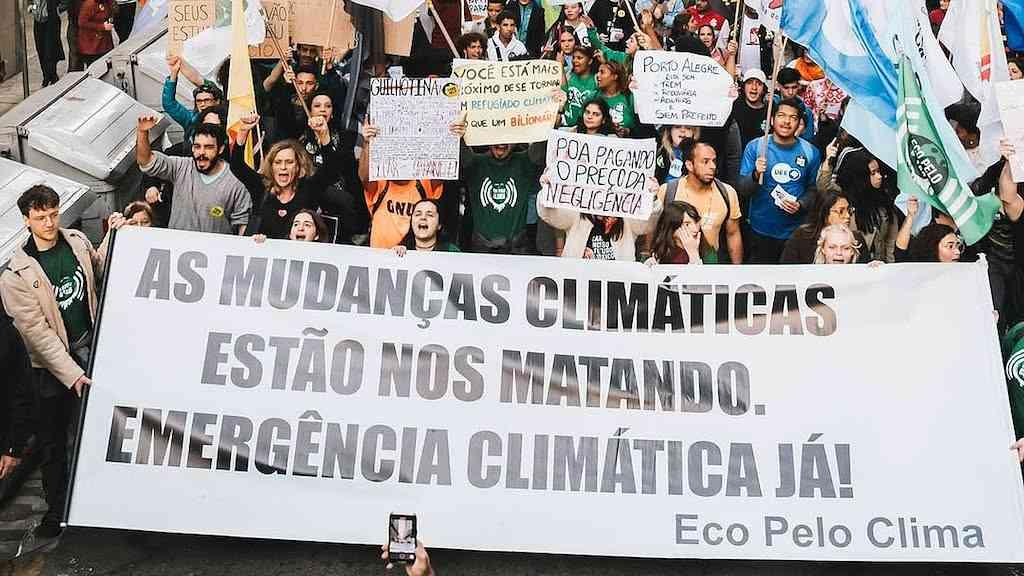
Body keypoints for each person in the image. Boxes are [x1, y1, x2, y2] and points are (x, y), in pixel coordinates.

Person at [1, 185, 106, 539]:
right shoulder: (15, 276)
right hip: (47, 371)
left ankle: (94, 502)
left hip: (90, 348)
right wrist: (73, 374)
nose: (49, 223)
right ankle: (57, 511)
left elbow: (99, 272)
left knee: (92, 433)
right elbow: (37, 335)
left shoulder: (77, 242)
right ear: (26, 220)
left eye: (53, 214)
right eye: (40, 217)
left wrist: (116, 236)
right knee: (53, 443)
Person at [230, 113, 341, 239]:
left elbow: (331, 170)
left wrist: (324, 136)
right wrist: (243, 131)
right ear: (271, 166)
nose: (283, 167)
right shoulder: (261, 187)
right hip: (263, 250)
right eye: (278, 162)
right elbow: (236, 166)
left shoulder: (309, 189)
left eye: (289, 162)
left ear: (298, 166)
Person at [739, 97, 822, 264]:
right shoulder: (756, 147)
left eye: (793, 117)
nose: (786, 121)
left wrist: (801, 204)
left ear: (799, 123)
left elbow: (813, 190)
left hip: (795, 233)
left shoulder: (811, 152)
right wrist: (755, 174)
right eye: (781, 115)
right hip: (760, 230)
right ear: (772, 119)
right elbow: (742, 189)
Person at [136, 115, 251, 234]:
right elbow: (146, 161)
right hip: (177, 244)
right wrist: (142, 132)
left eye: (208, 147)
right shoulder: (181, 166)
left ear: (220, 149)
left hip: (215, 246)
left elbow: (242, 223)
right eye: (197, 147)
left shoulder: (235, 180)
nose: (201, 152)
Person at [651, 141, 743, 263]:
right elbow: (653, 229)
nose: (712, 166)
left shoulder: (727, 193)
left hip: (710, 262)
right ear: (689, 165)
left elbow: (733, 234)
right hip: (673, 264)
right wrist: (648, 256)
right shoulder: (668, 190)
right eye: (705, 161)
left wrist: (737, 270)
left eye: (714, 161)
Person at [359, 122, 448, 249]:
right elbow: (364, 176)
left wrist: (449, 134)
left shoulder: (424, 182)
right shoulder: (380, 182)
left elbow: (442, 167)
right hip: (380, 257)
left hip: (413, 257)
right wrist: (367, 143)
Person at [456, 124, 542, 253]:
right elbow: (461, 147)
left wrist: (550, 120)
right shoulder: (476, 163)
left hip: (516, 249)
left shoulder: (525, 161)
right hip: (482, 248)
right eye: (496, 135)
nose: (501, 141)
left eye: (507, 136)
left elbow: (541, 142)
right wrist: (459, 134)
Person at [538, 173, 662, 260]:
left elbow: (648, 223)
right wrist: (547, 190)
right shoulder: (577, 214)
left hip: (616, 284)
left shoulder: (627, 217)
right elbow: (548, 213)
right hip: (579, 284)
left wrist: (652, 198)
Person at [827, 148, 899, 263]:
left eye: (878, 171)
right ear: (861, 176)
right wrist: (827, 161)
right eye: (873, 173)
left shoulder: (885, 202)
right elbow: (824, 187)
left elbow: (890, 243)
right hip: (850, 266)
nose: (879, 176)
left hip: (878, 266)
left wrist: (889, 267)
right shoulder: (844, 204)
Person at [780, 190, 867, 264]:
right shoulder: (802, 236)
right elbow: (787, 268)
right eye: (841, 211)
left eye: (849, 210)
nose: (847, 216)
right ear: (824, 214)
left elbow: (866, 270)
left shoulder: (856, 239)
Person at [163, 55, 225, 148]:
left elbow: (198, 79)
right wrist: (173, 74)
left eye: (207, 100)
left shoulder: (226, 119)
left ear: (217, 101)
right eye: (199, 101)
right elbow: (169, 104)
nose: (202, 104)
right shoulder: (191, 119)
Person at [646, 201, 716, 265]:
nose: (695, 229)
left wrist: (694, 255)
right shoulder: (657, 252)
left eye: (696, 222)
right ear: (672, 228)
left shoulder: (708, 253)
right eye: (687, 224)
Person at [393, 199, 461, 255]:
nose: (423, 218)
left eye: (430, 215)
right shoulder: (402, 250)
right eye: (418, 214)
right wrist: (393, 255)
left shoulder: (451, 251)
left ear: (439, 225)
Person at [559, 46, 599, 127]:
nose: (575, 61)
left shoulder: (597, 79)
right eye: (573, 58)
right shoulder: (568, 75)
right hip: (565, 126)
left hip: (586, 129)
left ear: (590, 61)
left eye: (579, 58)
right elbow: (563, 93)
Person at [774, 67, 816, 141]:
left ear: (799, 86)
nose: (790, 92)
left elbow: (809, 141)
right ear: (778, 86)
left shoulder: (806, 112)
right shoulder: (771, 106)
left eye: (794, 87)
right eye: (786, 88)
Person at [596, 61, 636, 137]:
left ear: (615, 76)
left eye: (602, 72)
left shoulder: (630, 98)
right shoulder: (593, 96)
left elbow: (641, 127)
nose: (598, 75)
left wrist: (628, 131)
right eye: (598, 72)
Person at [731, 69, 769, 149]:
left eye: (759, 84)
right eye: (749, 83)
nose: (754, 87)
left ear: (764, 89)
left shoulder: (770, 109)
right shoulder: (735, 106)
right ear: (743, 87)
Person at [32, 0, 65, 87]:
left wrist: (58, 9)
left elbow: (65, 2)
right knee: (40, 49)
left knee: (50, 50)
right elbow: (33, 3)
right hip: (38, 22)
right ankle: (46, 76)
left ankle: (53, 75)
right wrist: (33, 8)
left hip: (51, 21)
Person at [254, 210, 329, 243]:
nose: (300, 228)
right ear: (290, 234)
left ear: (317, 235)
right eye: (296, 224)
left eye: (307, 225)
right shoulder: (277, 252)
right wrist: (260, 245)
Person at [77, 0, 115, 67]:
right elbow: (82, 23)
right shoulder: (89, 4)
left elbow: (110, 13)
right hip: (92, 45)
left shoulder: (107, 2)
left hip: (105, 43)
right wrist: (102, 27)